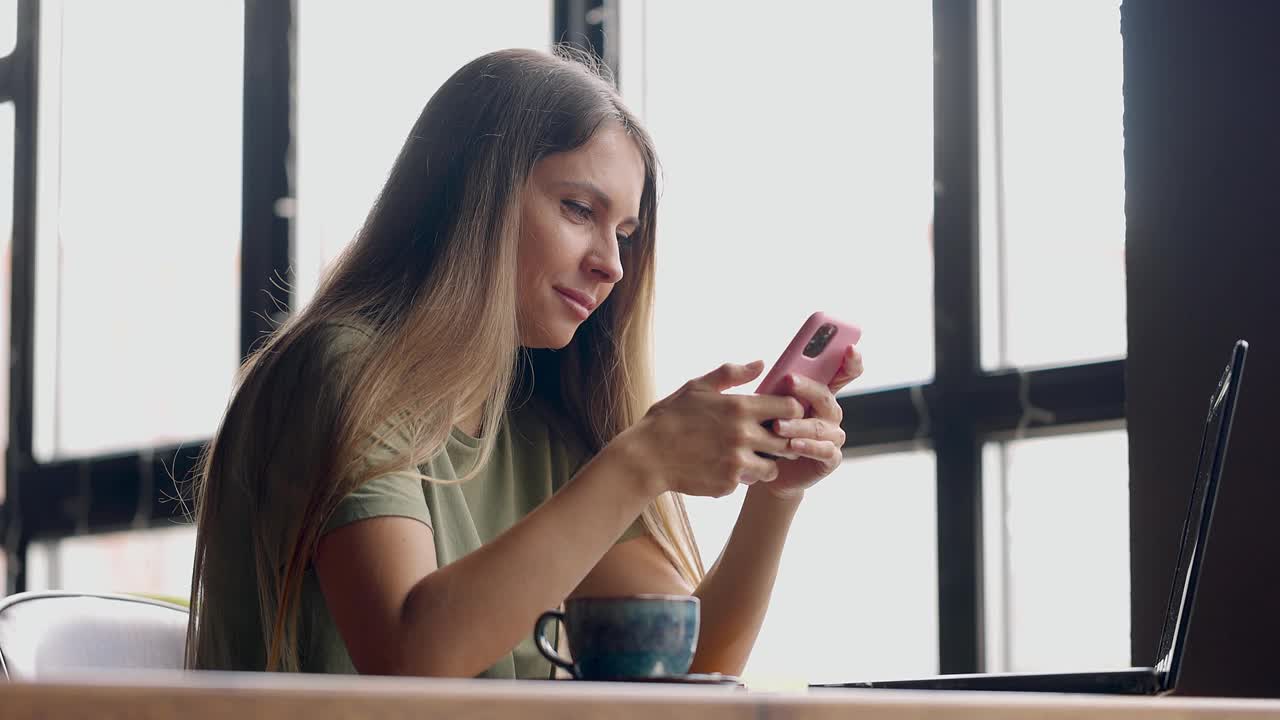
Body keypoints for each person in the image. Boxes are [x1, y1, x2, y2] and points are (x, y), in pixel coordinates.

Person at [185, 47, 863, 679]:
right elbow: (407, 658)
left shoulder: (539, 429)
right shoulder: (344, 370)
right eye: (578, 209)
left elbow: (686, 669)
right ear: (471, 197)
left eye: (624, 233)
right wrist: (640, 462)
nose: (612, 265)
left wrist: (775, 496)